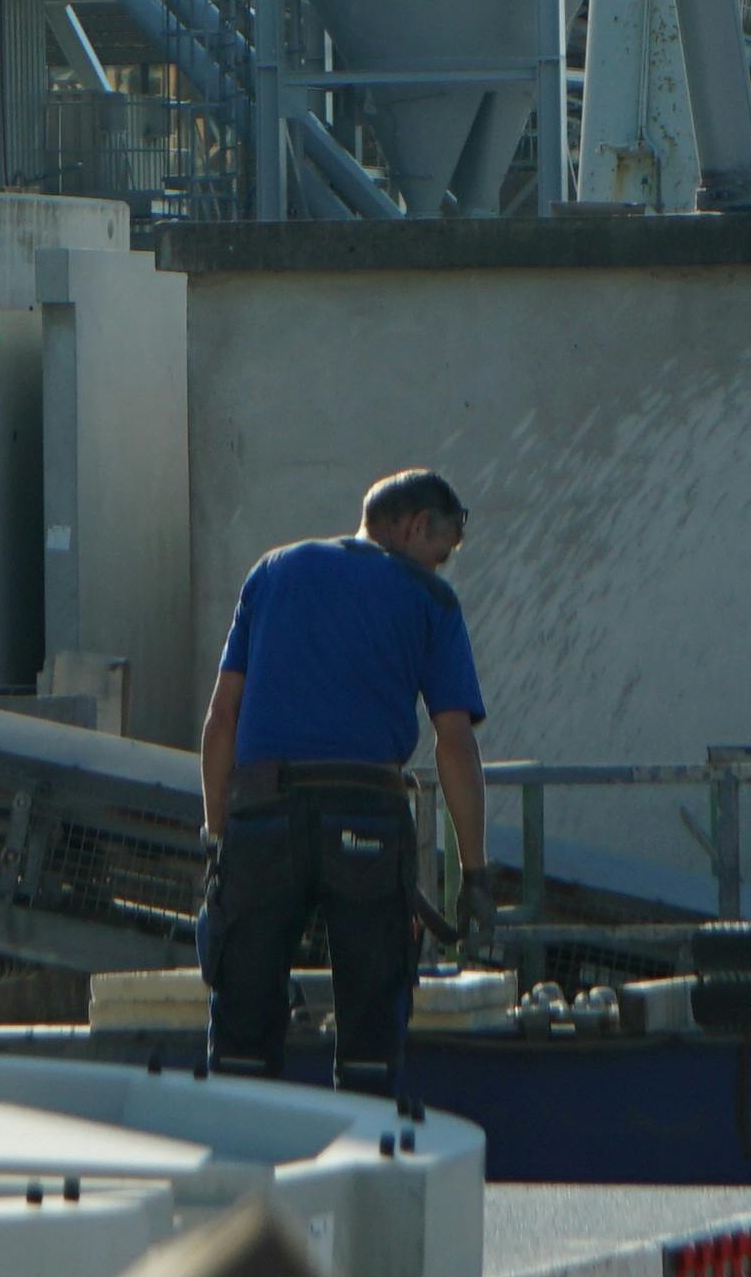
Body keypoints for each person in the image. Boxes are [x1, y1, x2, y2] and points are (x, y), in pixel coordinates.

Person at [199, 467, 490, 1090]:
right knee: (371, 1026)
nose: (437, 570)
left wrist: (218, 838)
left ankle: (238, 1170)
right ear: (416, 527)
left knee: (242, 1024)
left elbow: (221, 720)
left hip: (262, 814)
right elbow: (455, 744)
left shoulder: (271, 572)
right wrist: (475, 872)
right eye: (438, 555)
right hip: (366, 819)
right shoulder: (429, 599)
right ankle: (367, 1165)